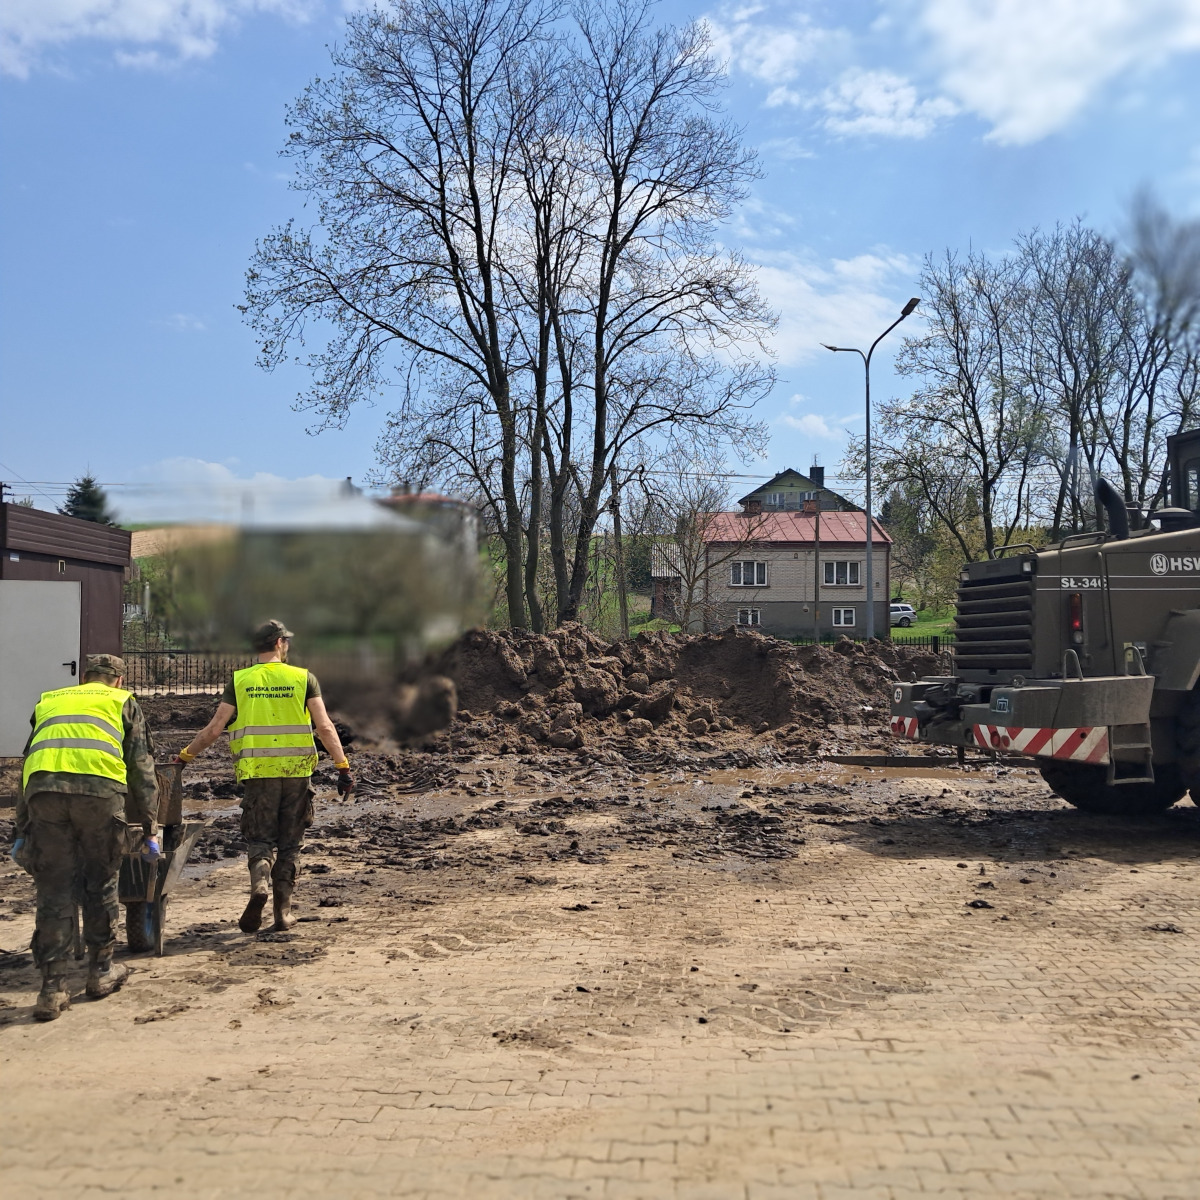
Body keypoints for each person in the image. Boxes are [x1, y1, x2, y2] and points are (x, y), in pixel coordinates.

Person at [178, 620, 353, 933]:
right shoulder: (303, 678)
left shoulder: (240, 680)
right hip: (297, 773)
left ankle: (259, 885)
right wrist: (342, 767)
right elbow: (325, 727)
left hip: (258, 774)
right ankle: (282, 914)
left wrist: (183, 757)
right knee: (291, 844)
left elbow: (215, 729)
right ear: (280, 643)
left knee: (260, 839)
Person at [12, 654, 159, 1021]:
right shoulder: (123, 702)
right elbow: (141, 766)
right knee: (101, 882)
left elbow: (29, 762)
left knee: (54, 890)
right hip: (99, 793)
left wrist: (22, 828)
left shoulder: (50, 700)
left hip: (44, 794)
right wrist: (150, 826)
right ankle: (101, 971)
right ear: (119, 680)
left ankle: (52, 989)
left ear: (84, 678)